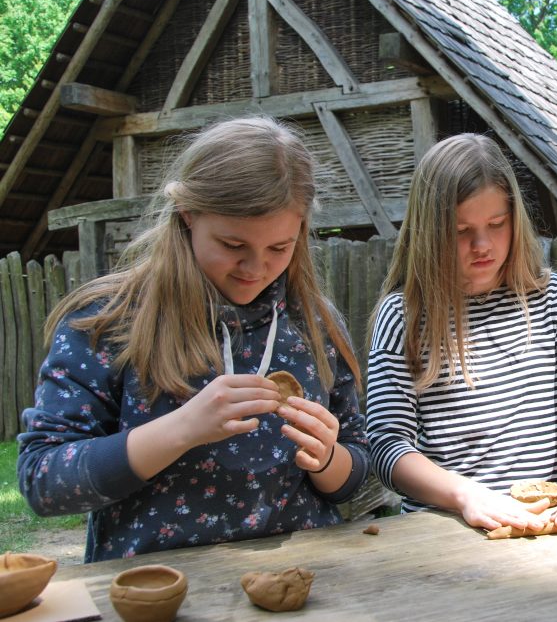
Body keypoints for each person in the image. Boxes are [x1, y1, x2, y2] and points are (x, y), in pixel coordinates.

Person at [18, 117, 369, 562]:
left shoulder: (317, 324)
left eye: (279, 248)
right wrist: (181, 429)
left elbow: (354, 470)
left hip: (300, 578)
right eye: (232, 245)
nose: (255, 268)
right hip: (157, 585)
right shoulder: (108, 322)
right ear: (187, 216)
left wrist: (328, 458)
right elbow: (44, 482)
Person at [365, 133, 557, 538]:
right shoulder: (403, 316)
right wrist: (465, 495)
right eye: (461, 230)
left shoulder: (551, 298)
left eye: (496, 224)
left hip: (547, 528)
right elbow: (387, 445)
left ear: (515, 218)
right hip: (445, 536)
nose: (482, 245)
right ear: (429, 232)